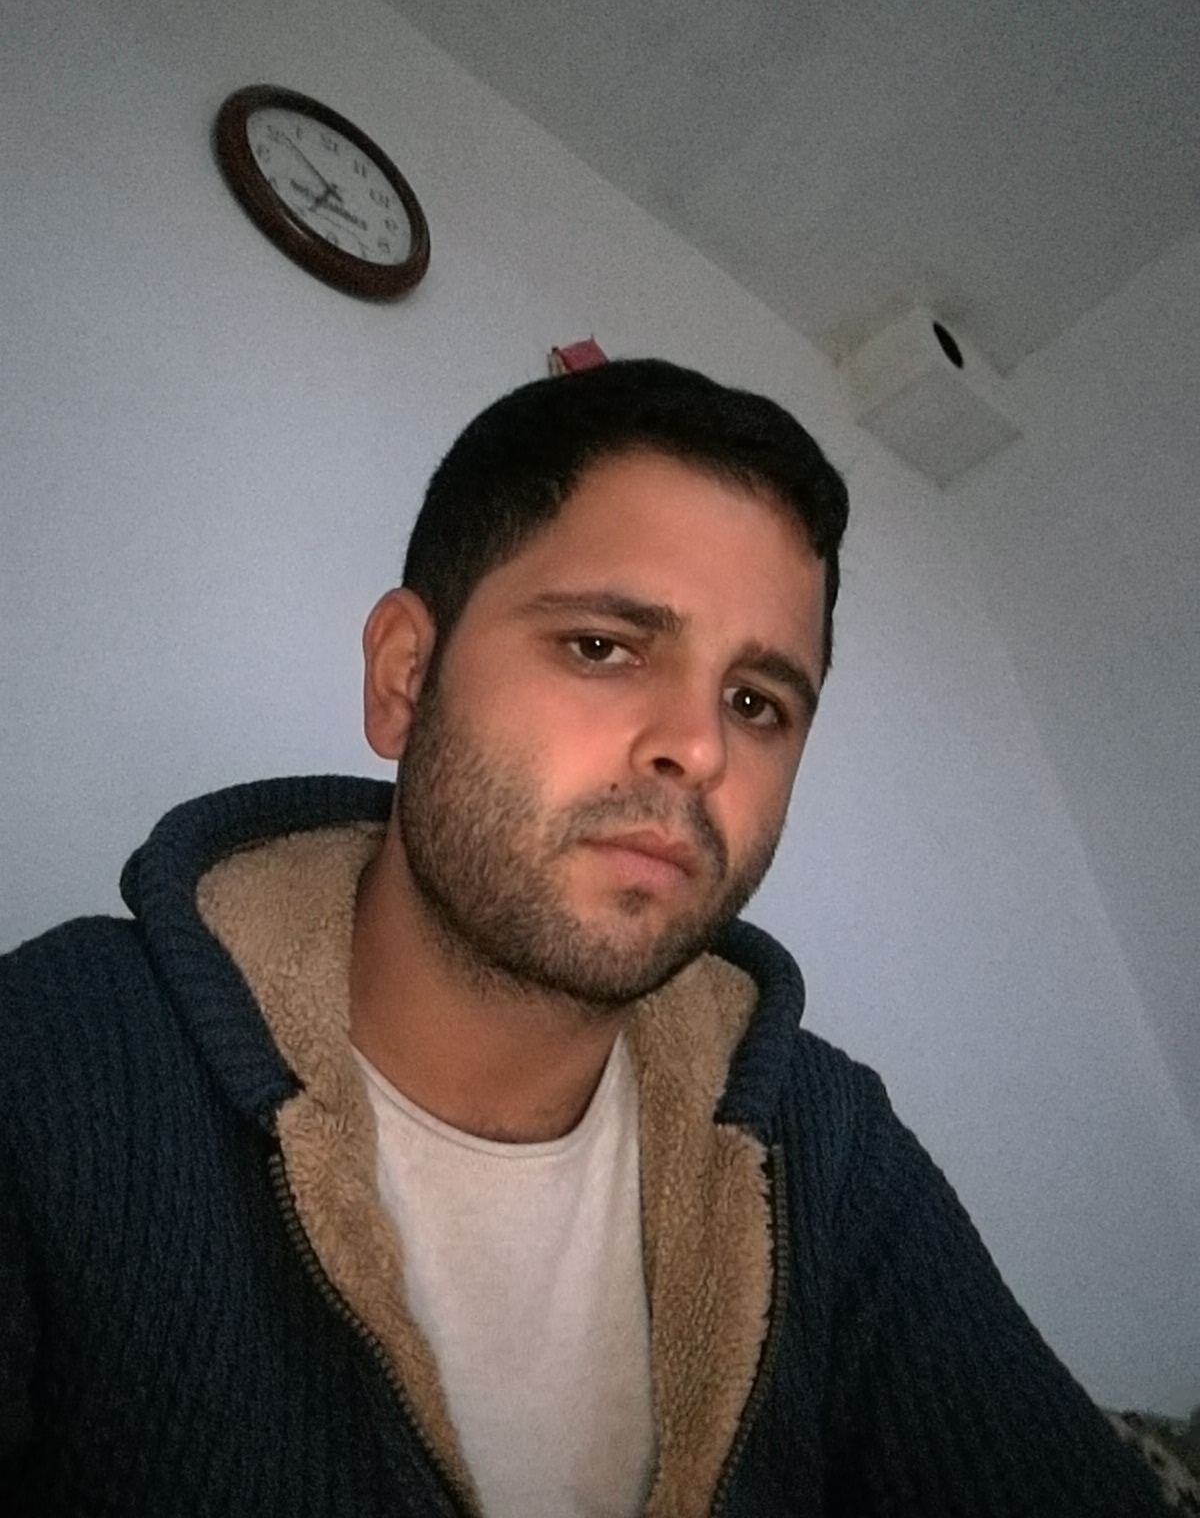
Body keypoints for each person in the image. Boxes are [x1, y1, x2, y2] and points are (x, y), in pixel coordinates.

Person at [0, 360, 1176, 1517]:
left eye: (757, 703)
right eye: (604, 646)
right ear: (405, 678)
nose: (699, 749)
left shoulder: (825, 1149)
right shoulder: (62, 1051)